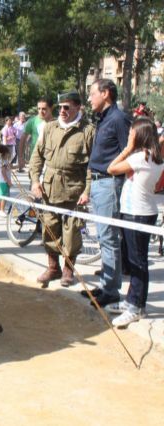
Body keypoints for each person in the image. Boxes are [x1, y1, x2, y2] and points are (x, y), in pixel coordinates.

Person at [30, 91, 94, 287]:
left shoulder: (88, 131)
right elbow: (37, 156)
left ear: (78, 107)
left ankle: (68, 270)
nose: (62, 111)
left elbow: (92, 166)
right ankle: (53, 267)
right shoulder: (50, 128)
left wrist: (87, 191)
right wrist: (35, 181)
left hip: (74, 191)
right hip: (50, 190)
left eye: (67, 107)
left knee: (71, 233)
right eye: (60, 107)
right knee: (49, 229)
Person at [106, 117, 164, 326]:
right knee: (135, 260)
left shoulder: (141, 157)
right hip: (140, 211)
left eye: (132, 133)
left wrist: (128, 148)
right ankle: (132, 300)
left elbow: (111, 168)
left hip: (137, 213)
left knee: (138, 262)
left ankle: (137, 306)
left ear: (139, 135)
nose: (129, 135)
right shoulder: (153, 158)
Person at [85, 79, 131, 306]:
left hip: (109, 183)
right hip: (97, 183)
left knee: (109, 237)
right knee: (103, 237)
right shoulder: (103, 119)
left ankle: (111, 291)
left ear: (105, 94)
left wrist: (114, 173)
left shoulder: (118, 119)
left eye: (92, 93)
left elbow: (129, 153)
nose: (89, 99)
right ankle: (105, 284)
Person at [19, 97, 54, 172]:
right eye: (39, 108)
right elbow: (23, 138)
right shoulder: (32, 121)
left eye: (44, 109)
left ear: (51, 108)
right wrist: (20, 157)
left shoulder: (58, 123)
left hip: (51, 161)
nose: (41, 111)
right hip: (35, 160)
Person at [0, 144, 12, 216]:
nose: (9, 154)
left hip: (2, 181)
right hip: (4, 181)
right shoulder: (3, 162)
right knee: (4, 196)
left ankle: (0, 210)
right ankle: (1, 210)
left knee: (1, 195)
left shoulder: (4, 161)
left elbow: (8, 168)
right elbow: (3, 172)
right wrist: (8, 181)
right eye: (8, 153)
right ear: (5, 153)